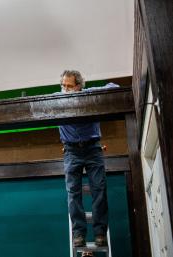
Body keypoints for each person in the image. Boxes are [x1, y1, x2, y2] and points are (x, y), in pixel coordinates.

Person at [59, 70, 116, 247]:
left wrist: (86, 95)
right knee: (73, 193)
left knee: (99, 189)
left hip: (93, 148)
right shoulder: (57, 99)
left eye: (69, 86)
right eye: (63, 86)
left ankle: (100, 232)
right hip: (71, 150)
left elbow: (114, 87)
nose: (65, 90)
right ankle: (79, 234)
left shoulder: (88, 94)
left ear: (78, 86)